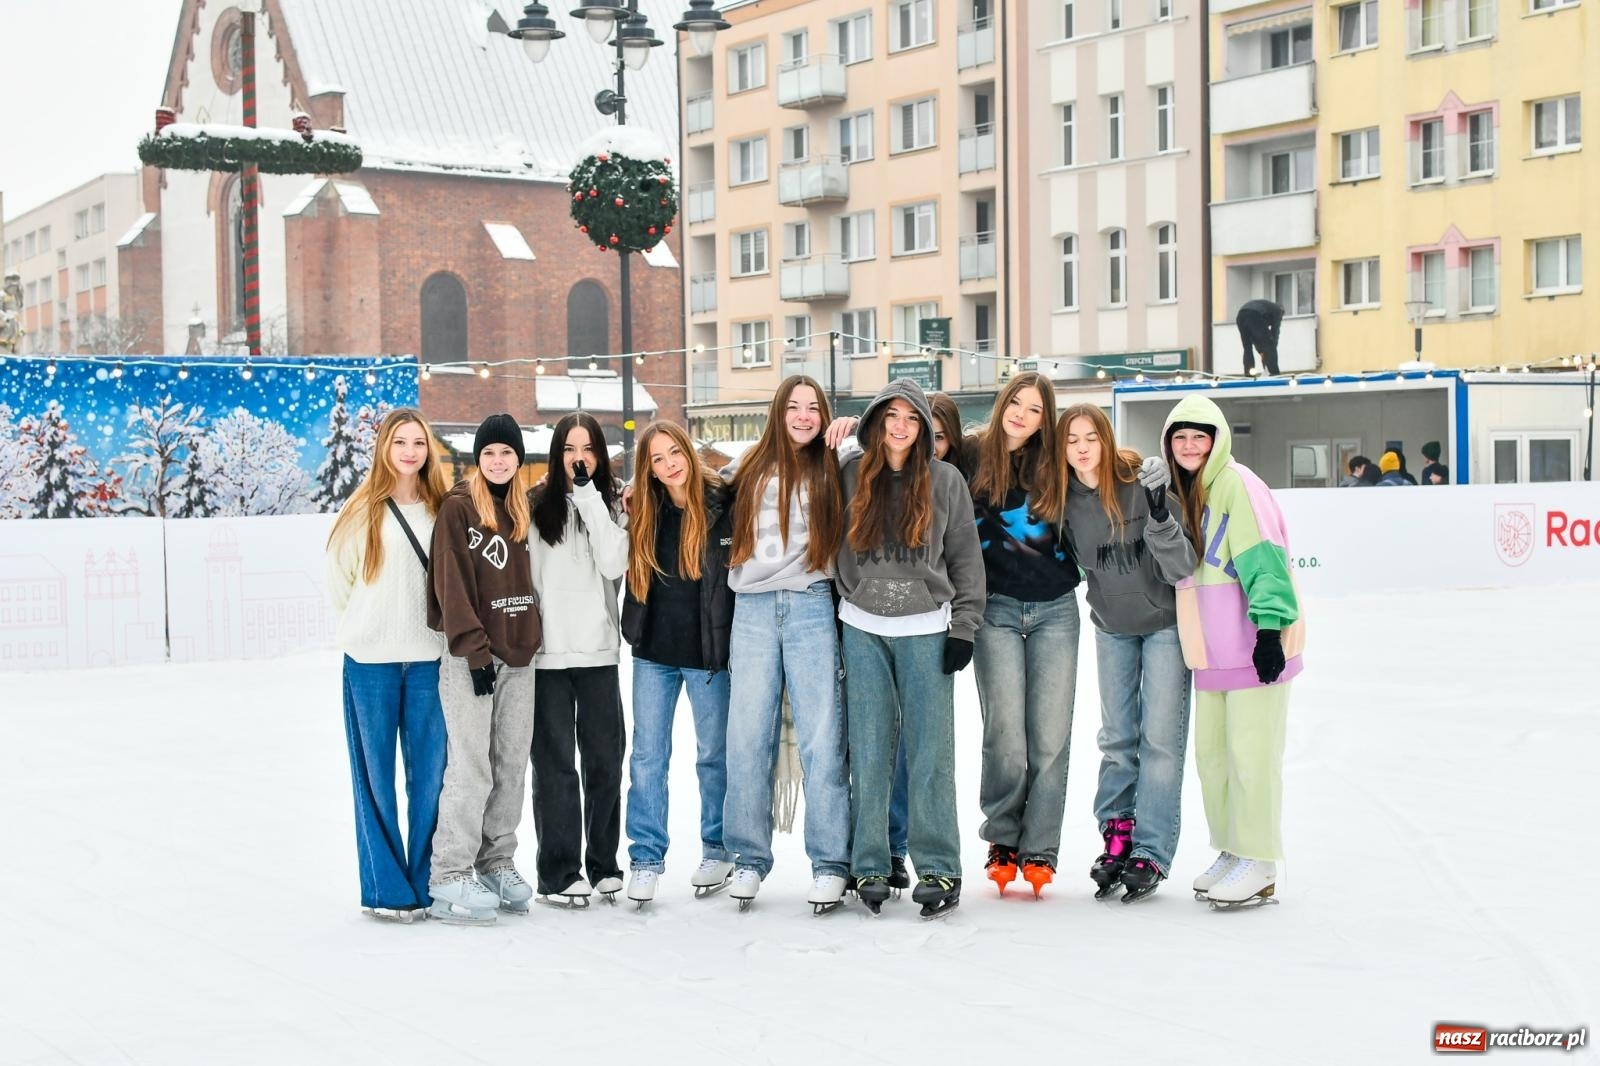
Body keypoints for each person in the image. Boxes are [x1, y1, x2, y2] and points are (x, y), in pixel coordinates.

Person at [837, 379, 985, 918]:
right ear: (876, 422)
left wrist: (964, 627)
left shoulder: (945, 481)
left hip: (927, 629)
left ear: (923, 428)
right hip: (863, 628)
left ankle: (940, 866)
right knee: (870, 751)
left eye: (912, 418)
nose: (900, 426)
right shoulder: (851, 474)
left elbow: (967, 559)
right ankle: (870, 862)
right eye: (891, 416)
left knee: (930, 755)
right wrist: (846, 594)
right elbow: (830, 541)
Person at [1162, 395, 1304, 908]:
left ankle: (1259, 860)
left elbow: (1266, 559)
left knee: (1252, 757)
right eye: (1180, 437)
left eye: (1199, 436)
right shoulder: (1190, 491)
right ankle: (1233, 848)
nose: (1189, 445)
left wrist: (1269, 631)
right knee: (1215, 758)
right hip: (1213, 651)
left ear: (1218, 439)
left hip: (1251, 646)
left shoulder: (1239, 484)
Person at [721, 376, 852, 914]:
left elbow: (878, 461)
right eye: (793, 407)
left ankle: (829, 864)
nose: (803, 415)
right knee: (747, 735)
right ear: (778, 412)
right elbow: (697, 490)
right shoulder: (748, 465)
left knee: (823, 737)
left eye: (813, 407)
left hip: (810, 603)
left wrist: (853, 431)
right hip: (751, 609)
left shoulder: (835, 463)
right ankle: (748, 858)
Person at [1060, 404, 1198, 903]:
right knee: (1118, 739)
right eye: (1071, 438)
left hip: (1163, 627)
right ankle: (1117, 836)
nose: (1081, 447)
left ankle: (1152, 850)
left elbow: (1183, 564)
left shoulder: (1141, 481)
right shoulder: (1062, 500)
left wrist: (1160, 510)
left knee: (1161, 742)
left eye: (1090, 437)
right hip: (1111, 630)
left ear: (1106, 439)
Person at [325, 407, 451, 923]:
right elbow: (341, 586)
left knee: (432, 778)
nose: (409, 451)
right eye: (400, 441)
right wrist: (367, 627)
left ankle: (425, 883)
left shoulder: (445, 508)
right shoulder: (361, 511)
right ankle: (385, 889)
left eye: (418, 442)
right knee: (374, 778)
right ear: (384, 448)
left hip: (429, 661)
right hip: (371, 662)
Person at [966, 372, 1082, 898]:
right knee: (1006, 734)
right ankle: (1004, 839)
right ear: (1002, 402)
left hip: (1056, 610)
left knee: (1051, 738)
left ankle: (1041, 848)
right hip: (995, 610)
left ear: (1045, 419)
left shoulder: (1055, 462)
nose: (1021, 414)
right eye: (1016, 401)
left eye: (1035, 409)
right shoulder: (970, 454)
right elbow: (916, 438)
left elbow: (1103, 462)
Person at [426, 413, 543, 924]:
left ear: (518, 460)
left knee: (511, 765)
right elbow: (451, 585)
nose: (499, 461)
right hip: (473, 658)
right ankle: (450, 874)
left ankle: (496, 862)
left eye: (508, 454)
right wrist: (473, 651)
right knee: (471, 766)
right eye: (490, 453)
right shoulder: (457, 509)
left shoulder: (520, 510)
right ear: (479, 458)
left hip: (520, 656)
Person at [621, 420, 736, 907]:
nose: (668, 465)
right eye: (656, 459)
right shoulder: (643, 510)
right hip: (654, 654)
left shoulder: (720, 502)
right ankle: (646, 859)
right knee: (648, 756)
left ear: (689, 452)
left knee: (713, 756)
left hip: (707, 654)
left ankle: (718, 848)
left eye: (674, 453)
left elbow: (750, 460)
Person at [528, 412, 630, 906]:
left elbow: (614, 563)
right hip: (547, 655)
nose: (578, 458)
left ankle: (605, 864)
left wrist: (591, 499)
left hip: (597, 651)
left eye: (588, 448)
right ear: (556, 453)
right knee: (554, 768)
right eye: (569, 449)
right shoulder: (532, 507)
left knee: (605, 762)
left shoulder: (614, 504)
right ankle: (559, 871)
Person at [1235, 298, 1284, 376]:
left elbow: (1256, 335)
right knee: (1269, 345)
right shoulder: (1278, 311)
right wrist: (1269, 351)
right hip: (1254, 314)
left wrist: (1262, 351)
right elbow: (1275, 333)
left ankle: (1249, 374)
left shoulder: (1266, 308)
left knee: (1247, 348)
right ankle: (1274, 373)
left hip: (1241, 315)